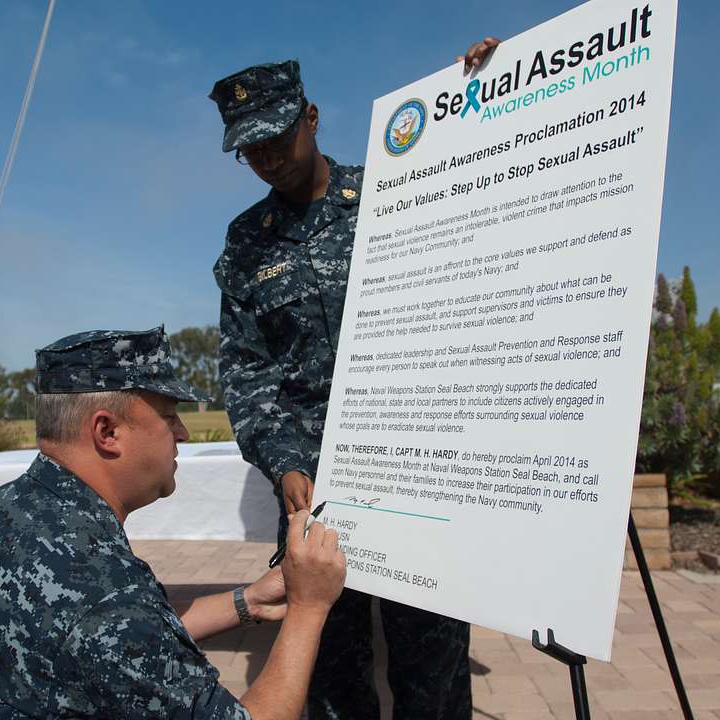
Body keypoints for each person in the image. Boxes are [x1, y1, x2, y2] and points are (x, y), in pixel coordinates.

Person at [209, 42, 499, 720]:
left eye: (276, 139)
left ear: (311, 117)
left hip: (413, 472)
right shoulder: (246, 242)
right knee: (330, 675)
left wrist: (486, 84)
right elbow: (246, 372)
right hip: (315, 498)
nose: (267, 159)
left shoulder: (391, 195)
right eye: (250, 151)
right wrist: (283, 464)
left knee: (432, 668)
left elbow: (481, 186)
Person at [0, 326, 346, 720]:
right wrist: (309, 605)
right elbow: (110, 624)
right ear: (107, 432)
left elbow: (129, 638)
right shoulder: (96, 585)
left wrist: (249, 601)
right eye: (168, 415)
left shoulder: (3, 509)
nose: (180, 433)